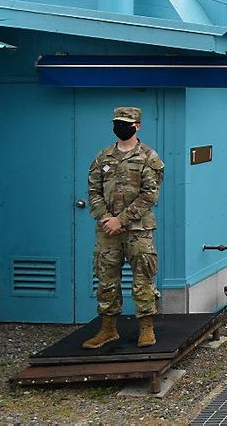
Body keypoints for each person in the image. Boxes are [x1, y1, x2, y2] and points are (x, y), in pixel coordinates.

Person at [82, 107, 165, 349]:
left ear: (137, 126)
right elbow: (93, 191)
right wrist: (107, 219)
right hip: (107, 231)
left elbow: (150, 195)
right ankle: (108, 330)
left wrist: (123, 220)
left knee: (143, 279)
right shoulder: (103, 157)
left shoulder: (149, 157)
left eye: (126, 123)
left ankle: (146, 329)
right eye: (117, 122)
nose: (121, 126)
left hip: (138, 230)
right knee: (106, 280)